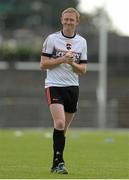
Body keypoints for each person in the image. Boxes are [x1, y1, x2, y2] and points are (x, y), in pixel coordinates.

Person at [40, 7, 88, 174]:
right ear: (61, 20)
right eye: (66, 19)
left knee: (63, 130)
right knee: (59, 123)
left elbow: (82, 70)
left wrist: (72, 63)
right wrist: (62, 59)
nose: (68, 22)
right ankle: (60, 162)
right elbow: (43, 64)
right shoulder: (52, 39)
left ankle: (55, 163)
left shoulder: (82, 42)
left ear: (77, 22)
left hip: (72, 88)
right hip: (54, 86)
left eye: (71, 20)